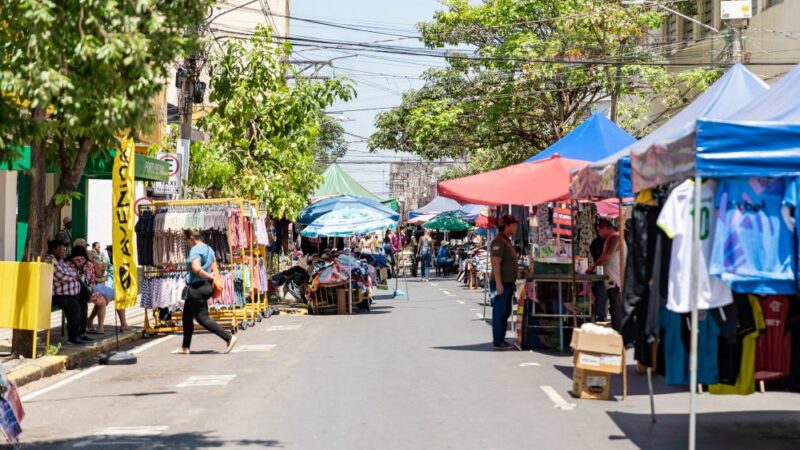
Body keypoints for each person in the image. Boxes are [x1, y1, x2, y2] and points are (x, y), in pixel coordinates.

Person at [174, 229, 238, 355]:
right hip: (205, 287)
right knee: (187, 316)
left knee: (202, 318)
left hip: (197, 287)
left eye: (186, 240)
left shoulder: (195, 250)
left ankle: (228, 337)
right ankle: (185, 347)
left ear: (191, 238)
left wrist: (208, 276)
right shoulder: (209, 248)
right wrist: (209, 277)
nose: (186, 243)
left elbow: (196, 268)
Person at [45, 240, 90, 345]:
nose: (64, 251)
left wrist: (73, 275)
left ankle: (80, 334)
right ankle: (73, 337)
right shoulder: (50, 260)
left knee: (83, 305)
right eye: (62, 249)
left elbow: (70, 272)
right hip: (58, 295)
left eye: (65, 249)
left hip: (70, 294)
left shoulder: (60, 261)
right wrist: (74, 276)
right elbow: (60, 276)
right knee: (74, 307)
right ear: (54, 249)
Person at [589, 218, 627, 331]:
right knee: (616, 310)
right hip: (616, 280)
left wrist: (592, 267)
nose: (599, 234)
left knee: (617, 311)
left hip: (616, 281)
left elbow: (605, 256)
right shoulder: (616, 236)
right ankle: (620, 336)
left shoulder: (614, 237)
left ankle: (620, 338)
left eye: (599, 230)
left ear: (605, 228)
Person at [490, 215, 520, 351]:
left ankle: (501, 338)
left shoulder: (506, 240)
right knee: (499, 311)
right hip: (501, 283)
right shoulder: (499, 241)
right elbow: (495, 263)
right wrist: (498, 284)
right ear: (507, 226)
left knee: (505, 311)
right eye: (514, 225)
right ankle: (498, 341)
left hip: (507, 283)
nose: (516, 228)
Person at [68, 245, 103, 338]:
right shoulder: (89, 263)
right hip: (85, 291)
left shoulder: (68, 262)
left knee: (76, 309)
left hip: (71, 291)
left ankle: (77, 332)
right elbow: (93, 279)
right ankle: (98, 328)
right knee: (102, 302)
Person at [589, 231, 609, 323]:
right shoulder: (607, 241)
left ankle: (600, 315)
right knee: (602, 294)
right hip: (604, 271)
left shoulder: (597, 242)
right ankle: (601, 316)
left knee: (601, 294)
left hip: (600, 271)